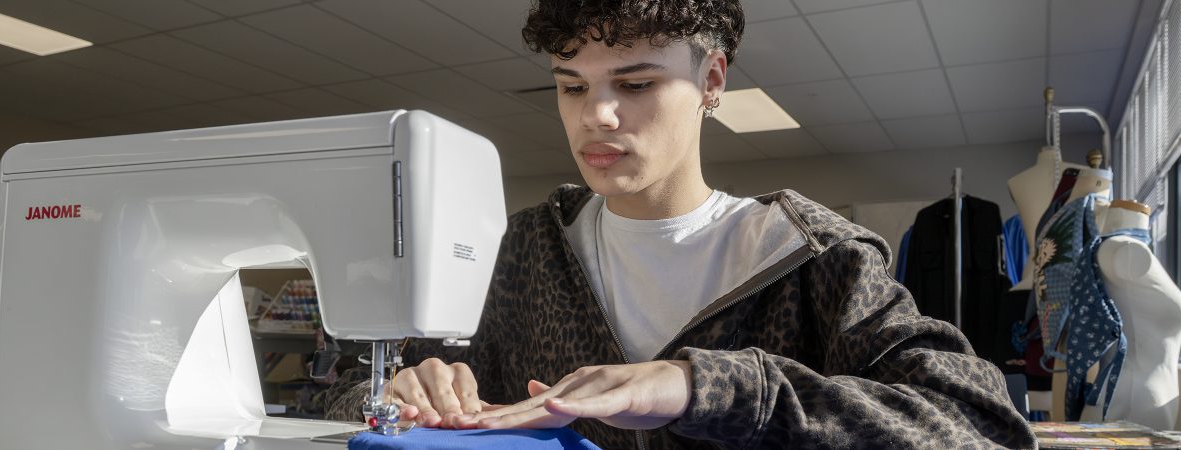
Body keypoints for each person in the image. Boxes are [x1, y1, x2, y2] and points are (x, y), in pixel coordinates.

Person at [322, 1, 1036, 448]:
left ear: (713, 82)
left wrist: (702, 389)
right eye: (571, 87)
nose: (595, 116)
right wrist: (396, 392)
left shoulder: (814, 260)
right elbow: (334, 401)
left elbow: (985, 427)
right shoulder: (516, 257)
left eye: (634, 85)